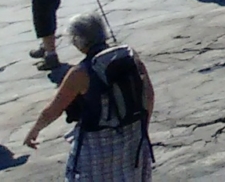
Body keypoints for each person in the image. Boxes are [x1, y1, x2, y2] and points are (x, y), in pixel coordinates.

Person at [23, 13, 152, 181]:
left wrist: (35, 130)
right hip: (132, 133)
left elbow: (53, 110)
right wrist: (143, 127)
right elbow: (149, 94)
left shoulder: (80, 73)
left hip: (97, 144)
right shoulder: (130, 57)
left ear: (78, 40)